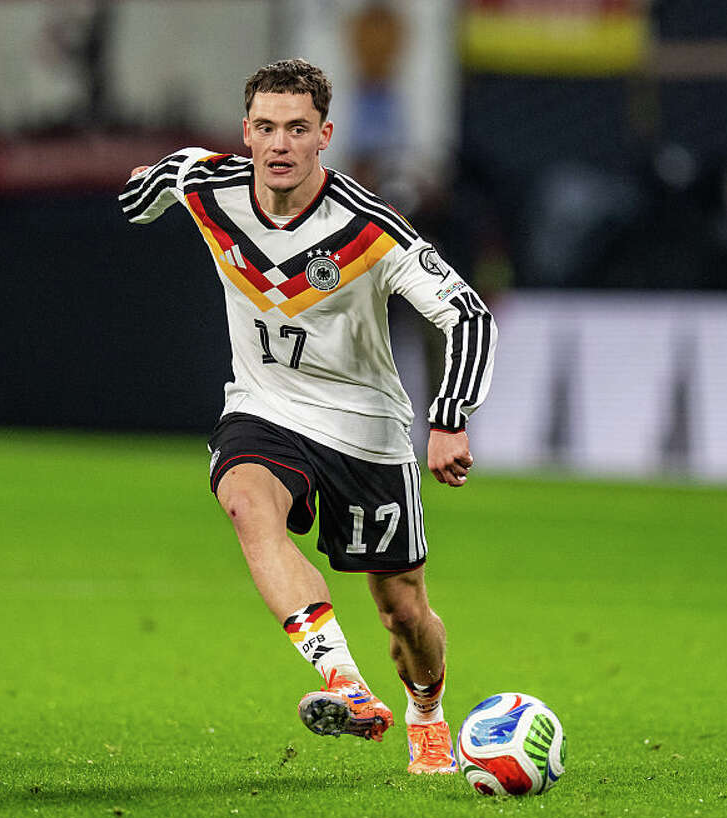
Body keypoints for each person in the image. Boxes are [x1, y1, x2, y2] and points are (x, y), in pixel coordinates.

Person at [118, 59, 496, 775]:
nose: (279, 144)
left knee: (404, 614)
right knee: (245, 502)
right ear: (247, 133)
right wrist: (141, 189)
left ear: (324, 135)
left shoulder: (371, 228)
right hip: (264, 409)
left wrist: (449, 416)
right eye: (265, 128)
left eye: (296, 129)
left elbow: (470, 315)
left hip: (366, 432)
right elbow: (153, 187)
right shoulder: (207, 186)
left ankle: (426, 711)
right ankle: (344, 682)